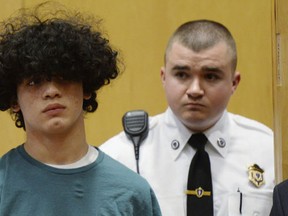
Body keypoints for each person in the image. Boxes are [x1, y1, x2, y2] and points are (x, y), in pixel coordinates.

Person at [0, 2, 161, 215]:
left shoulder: (131, 193)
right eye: (34, 82)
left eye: (64, 77)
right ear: (14, 99)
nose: (51, 91)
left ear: (86, 87)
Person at [100, 19, 275, 215]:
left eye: (210, 76)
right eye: (182, 75)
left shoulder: (269, 151)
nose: (195, 90)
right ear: (164, 77)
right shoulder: (120, 156)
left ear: (234, 82)